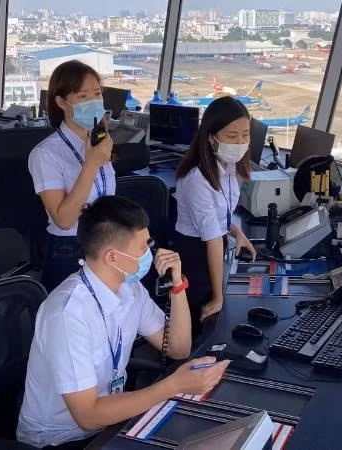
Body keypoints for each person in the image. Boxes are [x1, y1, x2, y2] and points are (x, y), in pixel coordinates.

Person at [17, 196, 229, 449]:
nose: (151, 253)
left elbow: (179, 348)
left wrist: (177, 284)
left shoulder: (130, 289)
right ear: (112, 257)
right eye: (143, 247)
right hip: (61, 439)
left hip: (110, 419)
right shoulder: (67, 315)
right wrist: (171, 386)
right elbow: (87, 416)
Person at [174, 96, 257, 337]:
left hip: (214, 247)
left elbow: (221, 212)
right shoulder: (196, 179)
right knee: (202, 328)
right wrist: (218, 297)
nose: (240, 142)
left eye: (245, 135)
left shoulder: (227, 165)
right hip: (196, 255)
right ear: (211, 137)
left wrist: (237, 232)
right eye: (232, 136)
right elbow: (211, 238)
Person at [29, 60, 115, 292]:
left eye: (97, 93)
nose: (94, 102)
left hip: (106, 241)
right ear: (61, 102)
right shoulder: (45, 154)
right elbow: (64, 220)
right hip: (71, 248)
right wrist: (91, 165)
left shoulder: (99, 141)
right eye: (83, 96)